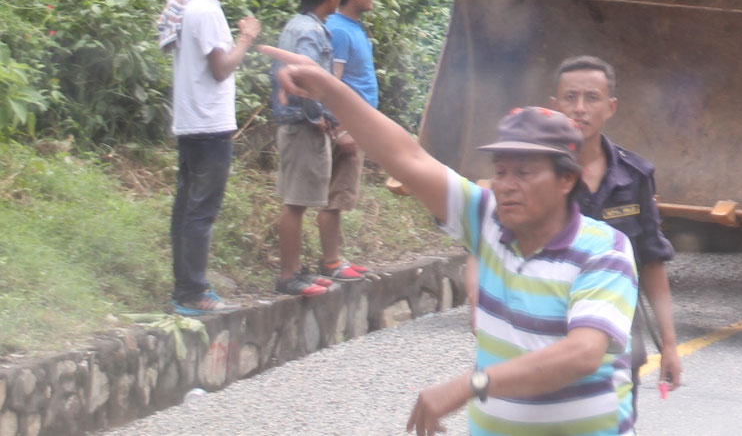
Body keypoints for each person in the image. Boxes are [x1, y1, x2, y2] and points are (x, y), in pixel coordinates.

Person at [263, 50, 639, 436]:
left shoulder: (604, 250)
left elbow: (582, 353)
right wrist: (330, 90)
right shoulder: (486, 219)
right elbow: (404, 155)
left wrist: (470, 384)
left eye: (525, 172)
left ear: (566, 181)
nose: (506, 185)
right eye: (501, 171)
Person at [552, 56, 682, 416]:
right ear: (555, 106)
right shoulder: (537, 173)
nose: (580, 108)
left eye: (592, 98)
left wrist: (669, 344)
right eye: (570, 97)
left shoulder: (635, 176)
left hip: (619, 342)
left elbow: (652, 260)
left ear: (611, 107)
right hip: (548, 333)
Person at [169, 0, 262, 316]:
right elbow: (221, 67)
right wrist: (247, 37)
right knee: (200, 212)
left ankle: (186, 287)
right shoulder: (207, 11)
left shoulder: (193, 6)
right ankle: (191, 292)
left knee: (187, 208)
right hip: (209, 125)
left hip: (193, 122)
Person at [271, 0, 343, 298]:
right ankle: (289, 275)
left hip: (297, 125)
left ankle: (296, 269)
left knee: (297, 200)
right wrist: (319, 118)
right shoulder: (310, 32)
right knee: (296, 203)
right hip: (303, 127)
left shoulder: (298, 26)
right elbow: (306, 78)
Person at [320, 0, 378, 283]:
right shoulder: (340, 30)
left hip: (359, 123)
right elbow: (334, 82)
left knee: (341, 196)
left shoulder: (354, 27)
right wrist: (342, 128)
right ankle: (330, 262)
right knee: (335, 195)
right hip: (347, 125)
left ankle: (336, 258)